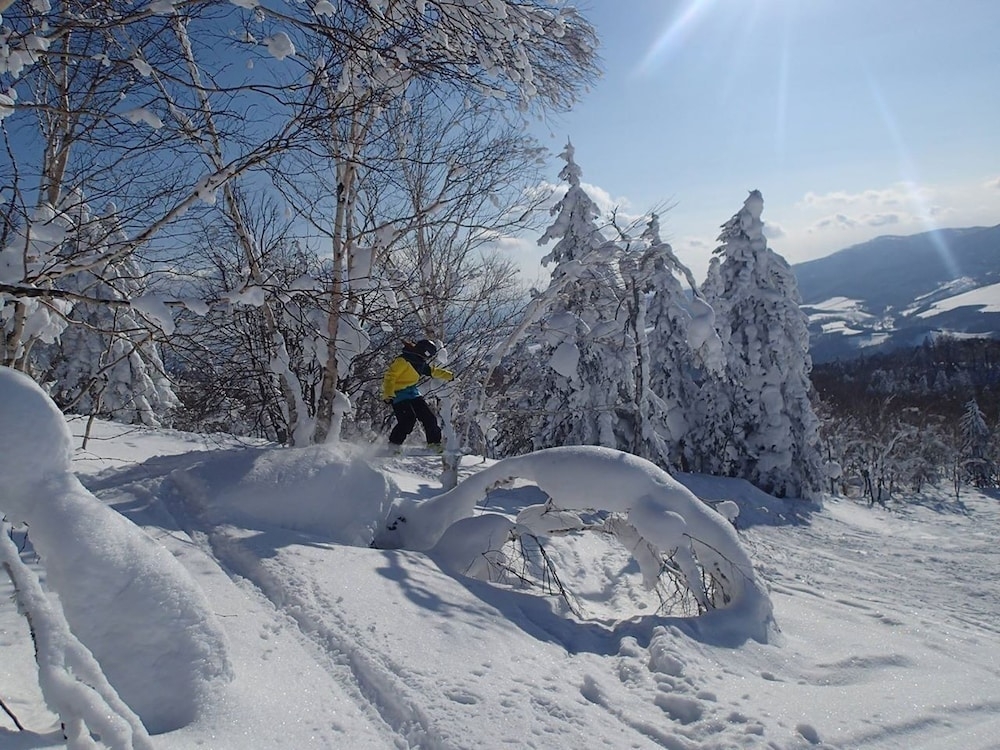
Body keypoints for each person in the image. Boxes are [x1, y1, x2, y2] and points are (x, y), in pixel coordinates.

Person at [381, 339, 454, 452]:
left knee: (429, 418)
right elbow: (390, 376)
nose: (428, 358)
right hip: (398, 394)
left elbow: (433, 371)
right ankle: (394, 445)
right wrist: (388, 394)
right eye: (429, 355)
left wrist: (449, 376)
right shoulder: (403, 360)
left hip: (413, 394)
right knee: (408, 419)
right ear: (424, 351)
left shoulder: (420, 363)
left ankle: (434, 444)